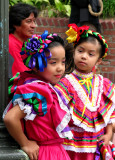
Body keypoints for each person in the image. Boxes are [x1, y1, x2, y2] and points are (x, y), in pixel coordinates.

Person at [55, 23, 115, 159]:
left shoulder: (105, 85)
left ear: (98, 61)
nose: (84, 56)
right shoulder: (65, 83)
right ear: (74, 51)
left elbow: (110, 113)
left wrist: (109, 134)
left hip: (97, 143)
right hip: (71, 144)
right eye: (80, 51)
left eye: (90, 54)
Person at [3, 31, 73, 160]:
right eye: (53, 63)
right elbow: (10, 118)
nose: (60, 68)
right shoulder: (40, 89)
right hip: (47, 153)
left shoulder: (36, 84)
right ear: (35, 65)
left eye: (62, 62)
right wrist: (25, 143)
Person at [9, 2, 38, 77]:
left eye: (34, 21)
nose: (34, 26)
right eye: (29, 21)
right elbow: (22, 73)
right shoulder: (10, 43)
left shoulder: (30, 41)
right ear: (16, 24)